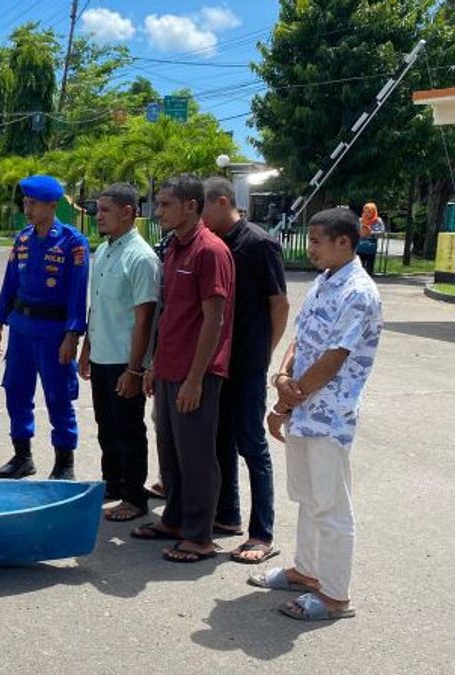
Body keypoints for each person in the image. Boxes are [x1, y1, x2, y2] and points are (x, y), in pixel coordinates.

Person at [249, 207, 382, 622]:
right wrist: (284, 377)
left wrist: (289, 398)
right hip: (304, 410)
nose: (310, 249)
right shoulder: (325, 283)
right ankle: (306, 571)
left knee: (332, 507)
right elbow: (302, 338)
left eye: (316, 241)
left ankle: (336, 596)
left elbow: (335, 358)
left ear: (344, 242)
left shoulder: (358, 291)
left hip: (330, 415)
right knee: (307, 498)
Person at [131, 174, 235, 563]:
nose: (158, 212)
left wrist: (195, 378)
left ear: (191, 206)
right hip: (170, 367)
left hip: (198, 373)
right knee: (171, 453)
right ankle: (173, 520)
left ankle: (200, 536)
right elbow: (171, 313)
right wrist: (155, 364)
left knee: (196, 456)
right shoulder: (175, 248)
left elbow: (215, 321)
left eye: (165, 205)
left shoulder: (210, 251)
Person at [202, 177, 290, 564]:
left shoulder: (258, 243)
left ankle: (262, 533)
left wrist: (263, 354)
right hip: (218, 361)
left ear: (222, 202)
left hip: (248, 362)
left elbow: (280, 305)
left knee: (251, 445)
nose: (199, 217)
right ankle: (227, 515)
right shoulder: (217, 244)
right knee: (219, 438)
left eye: (202, 208)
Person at [0, 175, 90, 480]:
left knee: (58, 395)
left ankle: (64, 463)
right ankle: (22, 456)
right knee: (16, 391)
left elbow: (77, 293)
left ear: (52, 204)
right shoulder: (22, 239)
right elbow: (10, 285)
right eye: (25, 202)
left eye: (32, 203)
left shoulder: (73, 243)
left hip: (53, 332)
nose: (27, 208)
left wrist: (72, 335)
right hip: (21, 329)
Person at [78, 183, 158, 515]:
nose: (98, 216)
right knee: (106, 426)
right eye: (98, 209)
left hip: (125, 359)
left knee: (128, 430)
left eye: (106, 210)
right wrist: (86, 348)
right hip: (101, 356)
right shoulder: (106, 250)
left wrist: (135, 369)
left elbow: (144, 320)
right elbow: (96, 306)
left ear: (128, 212)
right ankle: (112, 483)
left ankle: (134, 497)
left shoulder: (141, 258)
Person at [357, 202, 384, 275]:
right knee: (359, 265)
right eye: (365, 211)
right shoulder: (360, 220)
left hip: (371, 246)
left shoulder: (378, 220)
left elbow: (382, 231)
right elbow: (355, 230)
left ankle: (368, 277)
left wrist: (370, 232)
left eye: (369, 212)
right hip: (360, 246)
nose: (366, 213)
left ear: (373, 211)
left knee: (370, 265)